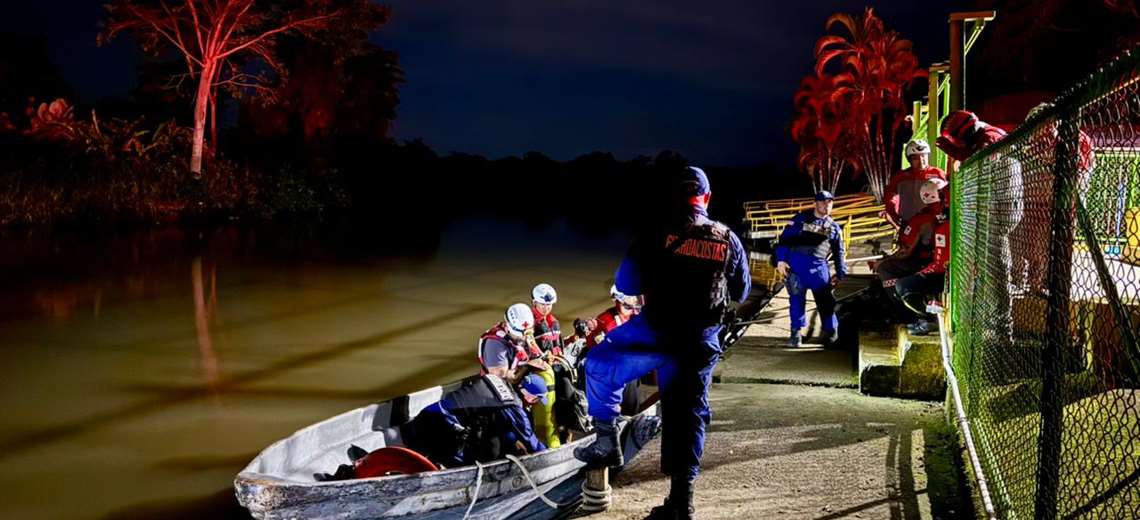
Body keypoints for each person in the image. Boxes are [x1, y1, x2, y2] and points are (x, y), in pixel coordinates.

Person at [574, 165, 751, 520]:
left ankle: (607, 441)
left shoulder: (655, 232)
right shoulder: (727, 237)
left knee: (598, 363)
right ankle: (681, 503)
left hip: (656, 332)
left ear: (674, 196)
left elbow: (626, 285)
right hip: (699, 343)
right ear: (707, 198)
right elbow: (742, 292)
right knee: (689, 415)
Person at [936, 110, 1022, 344]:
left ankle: (1002, 329)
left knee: (995, 269)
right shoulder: (978, 141)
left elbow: (979, 162)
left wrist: (959, 155)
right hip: (984, 210)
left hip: (997, 211)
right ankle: (975, 322)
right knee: (976, 268)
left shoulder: (989, 139)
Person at [395, 373, 548, 468]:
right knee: (464, 465)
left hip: (429, 414)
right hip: (441, 426)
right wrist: (548, 455)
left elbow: (504, 427)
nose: (534, 403)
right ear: (529, 395)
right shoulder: (512, 406)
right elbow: (529, 439)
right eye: (536, 400)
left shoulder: (497, 380)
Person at [775, 190, 848, 348]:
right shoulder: (799, 220)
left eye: (829, 202)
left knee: (826, 302)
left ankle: (831, 332)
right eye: (822, 202)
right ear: (816, 203)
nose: (826, 205)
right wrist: (781, 260)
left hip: (819, 270)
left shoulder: (835, 228)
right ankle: (796, 333)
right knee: (796, 301)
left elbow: (839, 252)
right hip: (796, 268)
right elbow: (784, 240)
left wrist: (841, 274)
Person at [876, 179, 945, 290]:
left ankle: (899, 300)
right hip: (942, 263)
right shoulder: (948, 215)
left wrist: (883, 261)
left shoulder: (919, 219)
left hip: (924, 263)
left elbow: (905, 251)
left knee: (885, 268)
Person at [883, 139, 947, 229]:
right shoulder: (900, 177)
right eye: (915, 158)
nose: (921, 161)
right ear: (909, 160)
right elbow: (889, 196)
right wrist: (893, 214)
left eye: (923, 156)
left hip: (932, 223)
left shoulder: (938, 173)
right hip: (907, 223)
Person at [477, 303, 544, 380]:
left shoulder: (525, 333)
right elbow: (500, 377)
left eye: (528, 332)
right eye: (521, 334)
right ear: (507, 327)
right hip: (503, 388)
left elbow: (535, 352)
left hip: (525, 376)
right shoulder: (494, 344)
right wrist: (528, 366)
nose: (525, 337)